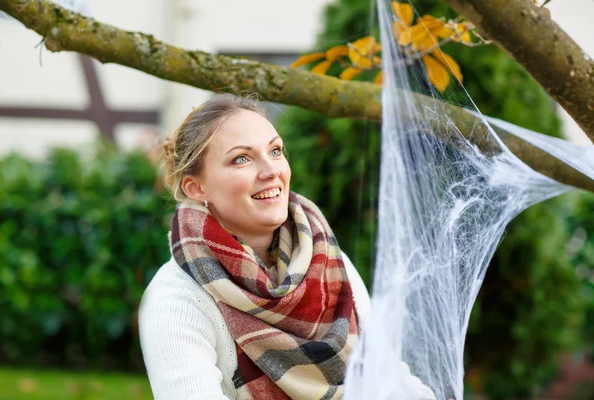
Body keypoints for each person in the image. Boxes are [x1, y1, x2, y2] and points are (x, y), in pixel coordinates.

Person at [138, 94, 435, 399]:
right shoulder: (177, 300)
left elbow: (386, 374)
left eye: (276, 151)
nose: (271, 171)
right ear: (196, 187)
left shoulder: (330, 263)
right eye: (241, 158)